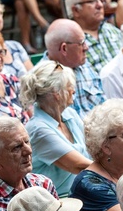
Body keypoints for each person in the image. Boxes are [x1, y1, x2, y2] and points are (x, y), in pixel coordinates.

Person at [20, 60, 90, 197]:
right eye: (69, 86)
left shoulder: (69, 114)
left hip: (85, 190)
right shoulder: (38, 129)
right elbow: (79, 165)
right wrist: (120, 172)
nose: (73, 90)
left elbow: (94, 145)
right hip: (59, 200)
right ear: (56, 93)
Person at [42, 14, 105, 118]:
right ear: (64, 49)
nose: (86, 47)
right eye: (81, 43)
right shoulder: (43, 81)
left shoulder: (84, 65)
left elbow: (104, 105)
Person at [67, 0, 123, 73]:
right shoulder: (69, 43)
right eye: (92, 1)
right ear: (76, 10)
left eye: (101, 0)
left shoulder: (113, 31)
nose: (100, 5)